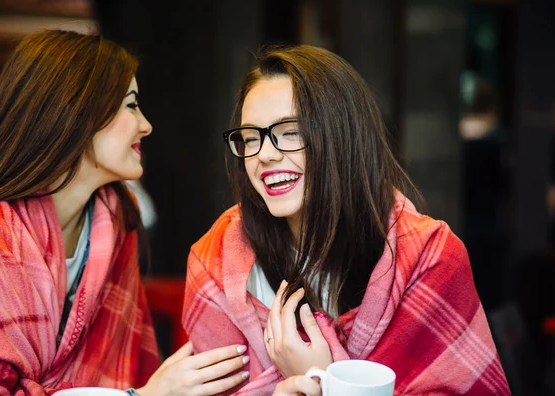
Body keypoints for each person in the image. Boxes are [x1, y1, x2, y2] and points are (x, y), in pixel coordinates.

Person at [182, 45, 511, 395]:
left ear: (343, 135)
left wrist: (321, 378)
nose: (265, 154)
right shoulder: (214, 262)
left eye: (290, 132)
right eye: (250, 138)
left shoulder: (430, 260)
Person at [0, 30, 249, 395]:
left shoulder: (113, 223)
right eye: (131, 105)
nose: (146, 124)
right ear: (77, 112)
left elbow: (130, 369)